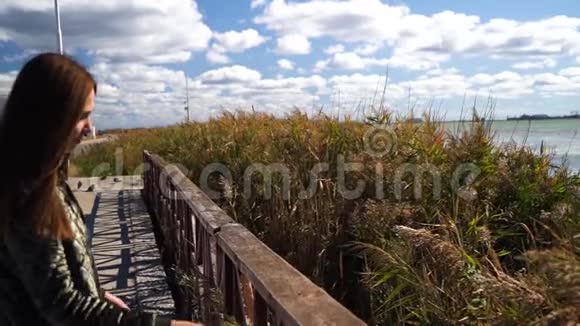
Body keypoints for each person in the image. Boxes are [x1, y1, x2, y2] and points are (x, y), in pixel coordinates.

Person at [0, 53, 199, 326]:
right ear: (50, 116)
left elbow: (48, 276)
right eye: (81, 116)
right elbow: (60, 306)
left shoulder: (46, 176)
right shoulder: (23, 190)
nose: (89, 128)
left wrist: (96, 292)